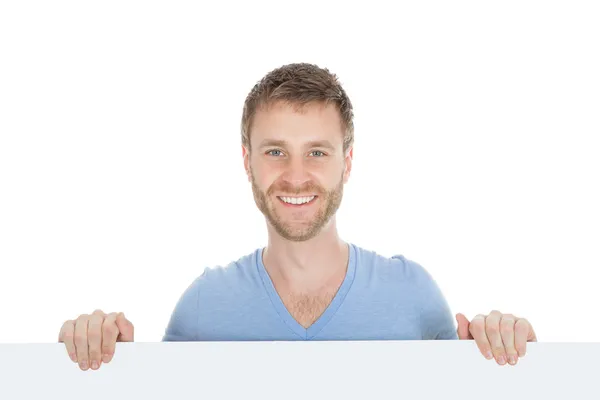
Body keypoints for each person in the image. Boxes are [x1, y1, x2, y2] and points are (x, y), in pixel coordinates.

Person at [58, 63, 537, 371]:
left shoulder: (413, 296)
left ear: (347, 162)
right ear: (247, 161)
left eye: (316, 152)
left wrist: (506, 348)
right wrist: (108, 360)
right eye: (275, 151)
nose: (295, 175)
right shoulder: (204, 306)